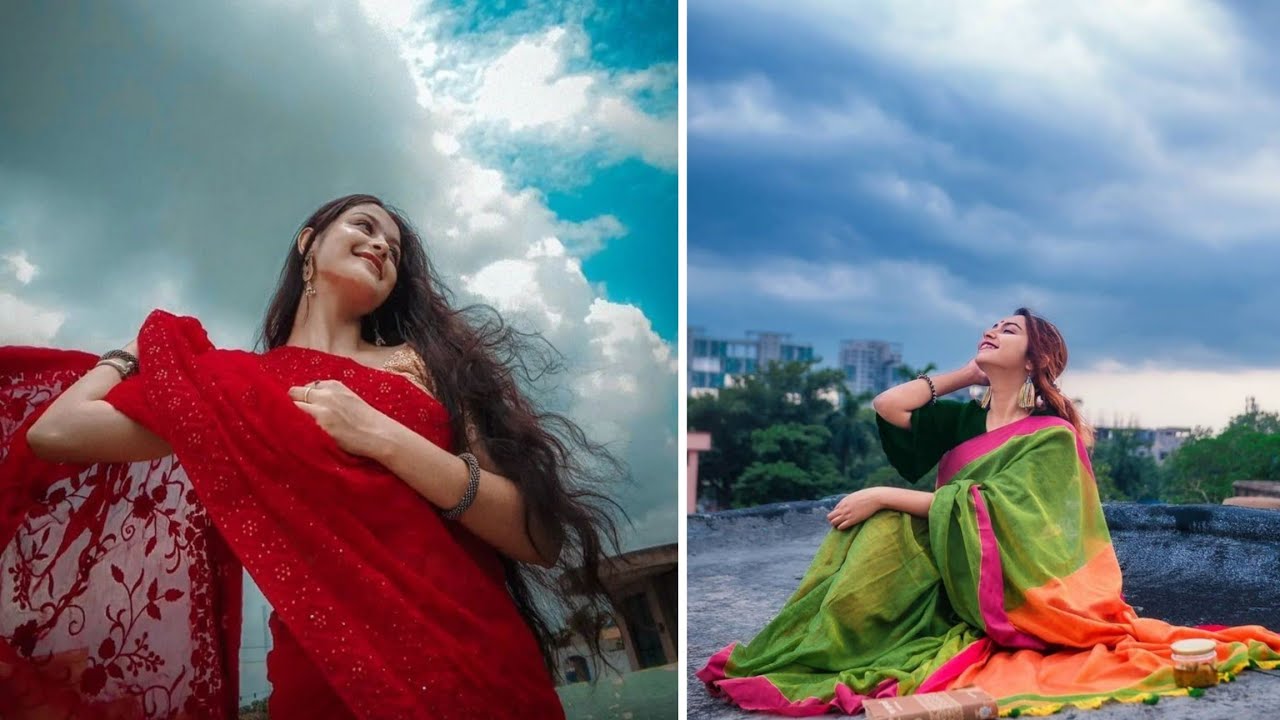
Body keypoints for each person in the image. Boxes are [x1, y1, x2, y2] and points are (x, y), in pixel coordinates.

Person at [0, 194, 622, 719]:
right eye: (364, 226)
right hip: (326, 675)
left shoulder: (431, 367)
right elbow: (55, 433)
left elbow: (537, 539)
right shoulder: (237, 390)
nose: (382, 246)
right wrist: (130, 354)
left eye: (396, 249)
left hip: (478, 665)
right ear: (308, 243)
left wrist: (382, 435)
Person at [697, 308, 1280, 716]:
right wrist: (964, 375)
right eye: (990, 326)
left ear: (1036, 359)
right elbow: (886, 404)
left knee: (882, 513)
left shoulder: (1050, 434)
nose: (991, 331)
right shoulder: (962, 422)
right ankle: (835, 642)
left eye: (1009, 331)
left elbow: (1005, 516)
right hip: (951, 568)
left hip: (1013, 587)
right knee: (879, 528)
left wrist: (885, 493)